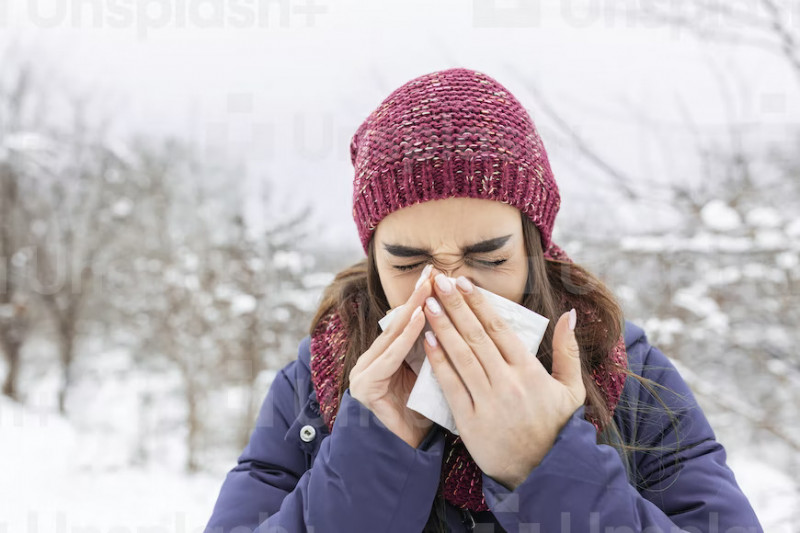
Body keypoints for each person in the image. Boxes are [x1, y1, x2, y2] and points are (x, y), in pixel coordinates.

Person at [204, 67, 763, 533]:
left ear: (532, 248)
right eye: (407, 264)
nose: (450, 290)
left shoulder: (628, 373)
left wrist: (546, 464)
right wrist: (372, 455)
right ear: (373, 261)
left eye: (490, 259)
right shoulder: (313, 382)